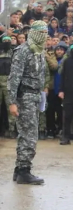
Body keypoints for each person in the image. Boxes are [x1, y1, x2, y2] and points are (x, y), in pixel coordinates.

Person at [8, 21, 48, 184]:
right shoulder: (24, 50)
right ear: (35, 33)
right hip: (24, 98)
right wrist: (12, 102)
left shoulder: (38, 50)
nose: (45, 36)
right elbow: (14, 78)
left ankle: (19, 170)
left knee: (26, 134)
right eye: (42, 33)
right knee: (29, 135)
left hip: (34, 97)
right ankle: (24, 170)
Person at [0, 35, 16, 137]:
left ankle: (12, 129)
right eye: (4, 40)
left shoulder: (14, 52)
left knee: (10, 105)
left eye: (8, 40)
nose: (6, 42)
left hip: (9, 81)